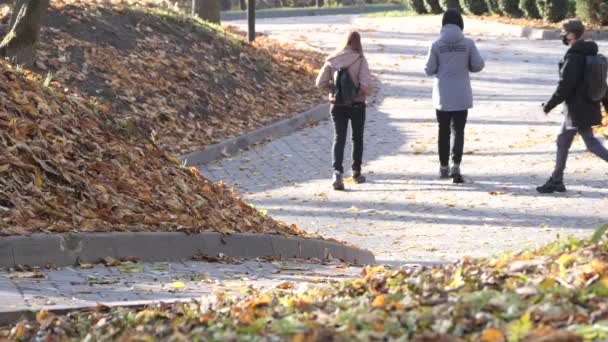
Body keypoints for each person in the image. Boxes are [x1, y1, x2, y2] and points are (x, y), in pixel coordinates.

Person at [537, 19, 608, 194]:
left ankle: (556, 180)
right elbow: (603, 84)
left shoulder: (574, 57)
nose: (562, 35)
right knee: (563, 141)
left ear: (570, 34)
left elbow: (565, 85)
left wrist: (549, 105)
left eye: (563, 32)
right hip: (584, 106)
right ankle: (556, 180)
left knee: (591, 144)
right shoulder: (592, 54)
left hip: (578, 108)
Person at [424, 9, 485, 183]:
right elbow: (478, 65)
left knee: (443, 131)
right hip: (461, 94)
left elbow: (429, 69)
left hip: (442, 95)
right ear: (460, 23)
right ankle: (456, 166)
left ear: (443, 23)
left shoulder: (436, 45)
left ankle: (443, 167)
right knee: (458, 131)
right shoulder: (468, 43)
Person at [316, 31, 373, 190]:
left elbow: (319, 82)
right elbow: (366, 85)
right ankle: (356, 172)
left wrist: (333, 90)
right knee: (357, 138)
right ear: (358, 43)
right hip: (357, 105)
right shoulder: (360, 59)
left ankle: (337, 173)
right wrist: (360, 93)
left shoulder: (332, 59)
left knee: (339, 138)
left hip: (337, 104)